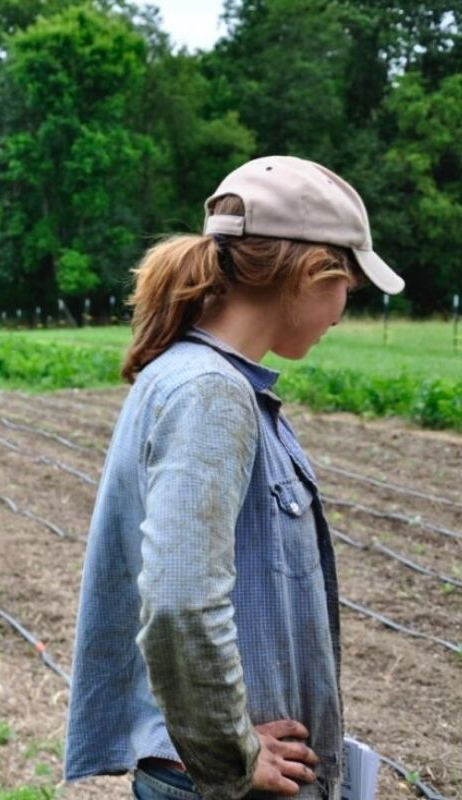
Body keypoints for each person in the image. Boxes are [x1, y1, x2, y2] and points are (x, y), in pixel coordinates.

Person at [63, 156, 405, 800]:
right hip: (224, 788)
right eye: (348, 289)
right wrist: (233, 752)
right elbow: (179, 603)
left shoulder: (187, 374)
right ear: (311, 274)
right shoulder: (211, 394)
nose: (341, 313)